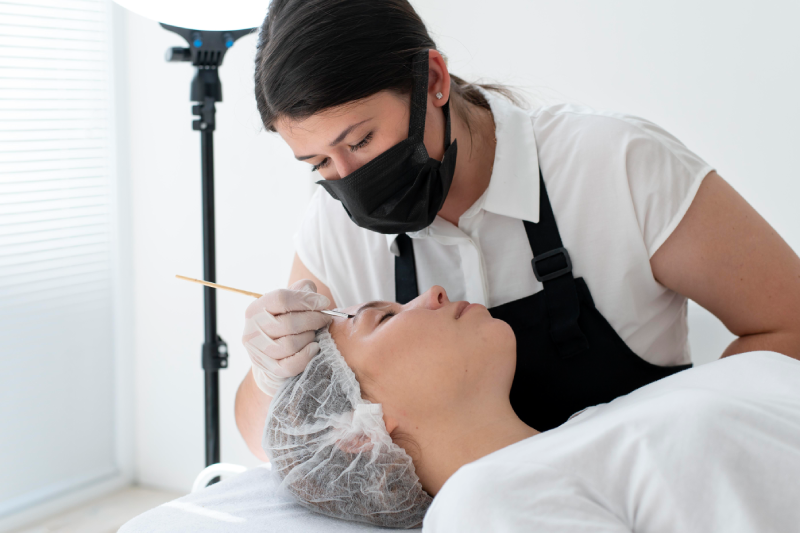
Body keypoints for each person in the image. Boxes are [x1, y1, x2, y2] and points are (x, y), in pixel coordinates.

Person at [237, 0, 800, 460]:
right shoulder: (334, 229)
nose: (349, 180)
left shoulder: (615, 163)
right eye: (319, 163)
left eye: (361, 141)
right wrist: (273, 376)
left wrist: (674, 455)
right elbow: (278, 447)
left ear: (433, 80)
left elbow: (789, 323)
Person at [264, 286, 800, 532]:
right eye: (383, 318)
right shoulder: (482, 503)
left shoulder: (592, 431)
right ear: (358, 431)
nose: (433, 293)